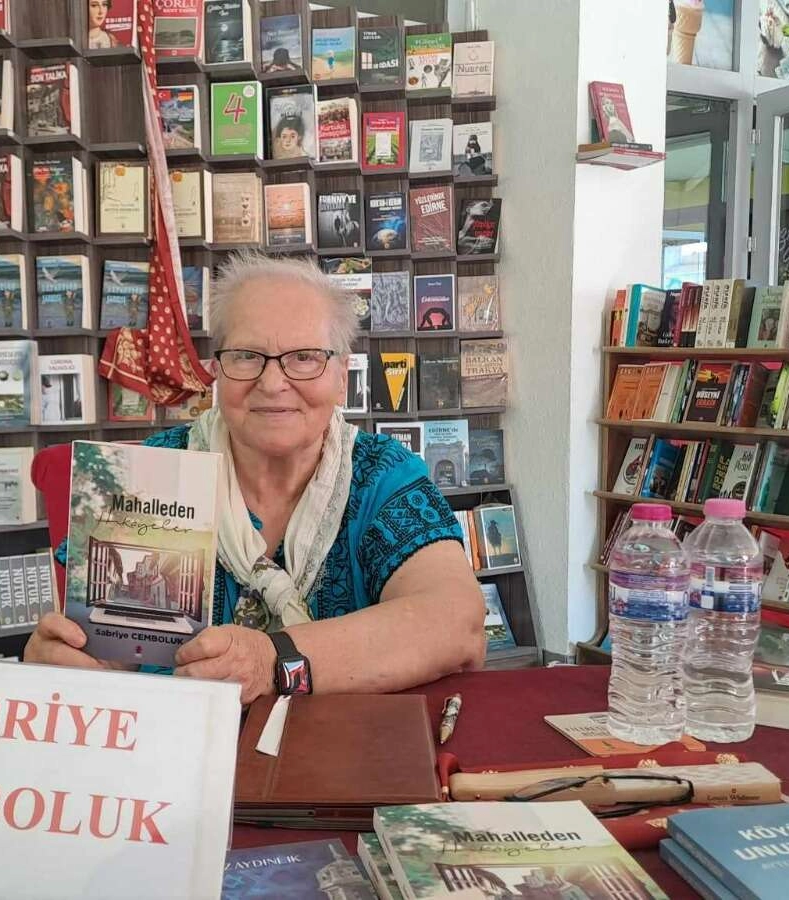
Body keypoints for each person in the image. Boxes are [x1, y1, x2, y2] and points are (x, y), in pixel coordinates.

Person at [26, 251, 486, 702]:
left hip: (348, 743)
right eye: (247, 356)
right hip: (183, 740)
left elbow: (456, 622)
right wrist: (75, 664)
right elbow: (110, 651)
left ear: (342, 376)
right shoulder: (154, 471)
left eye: (304, 357)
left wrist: (273, 661)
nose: (272, 383)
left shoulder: (381, 474)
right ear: (217, 371)